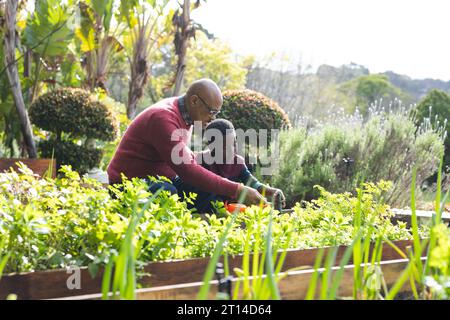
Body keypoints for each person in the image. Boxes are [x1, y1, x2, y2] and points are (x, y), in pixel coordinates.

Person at [107, 78, 266, 213]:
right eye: (211, 111)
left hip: (159, 179)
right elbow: (187, 170)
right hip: (125, 185)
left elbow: (182, 156)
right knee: (167, 192)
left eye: (216, 113)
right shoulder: (163, 118)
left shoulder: (185, 116)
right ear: (195, 100)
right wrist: (238, 189)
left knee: (208, 194)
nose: (213, 118)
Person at [196, 118, 286, 209]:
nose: (232, 150)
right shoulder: (201, 162)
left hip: (227, 211)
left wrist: (273, 191)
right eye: (225, 147)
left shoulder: (237, 162)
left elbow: (253, 183)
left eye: (234, 144)